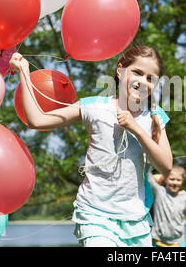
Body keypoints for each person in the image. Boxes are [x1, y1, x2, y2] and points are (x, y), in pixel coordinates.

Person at [9, 45, 173, 247]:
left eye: (150, 79)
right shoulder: (94, 107)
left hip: (136, 218)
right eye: (137, 72)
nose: (142, 81)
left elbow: (166, 166)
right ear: (120, 70)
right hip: (95, 214)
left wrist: (136, 129)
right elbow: (37, 120)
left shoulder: (155, 117)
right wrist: (24, 71)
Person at [148, 165, 186, 247]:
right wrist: (147, 158)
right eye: (172, 179)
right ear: (165, 179)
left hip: (178, 243)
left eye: (178, 180)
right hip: (156, 241)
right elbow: (148, 175)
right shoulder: (159, 192)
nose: (175, 183)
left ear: (182, 181)